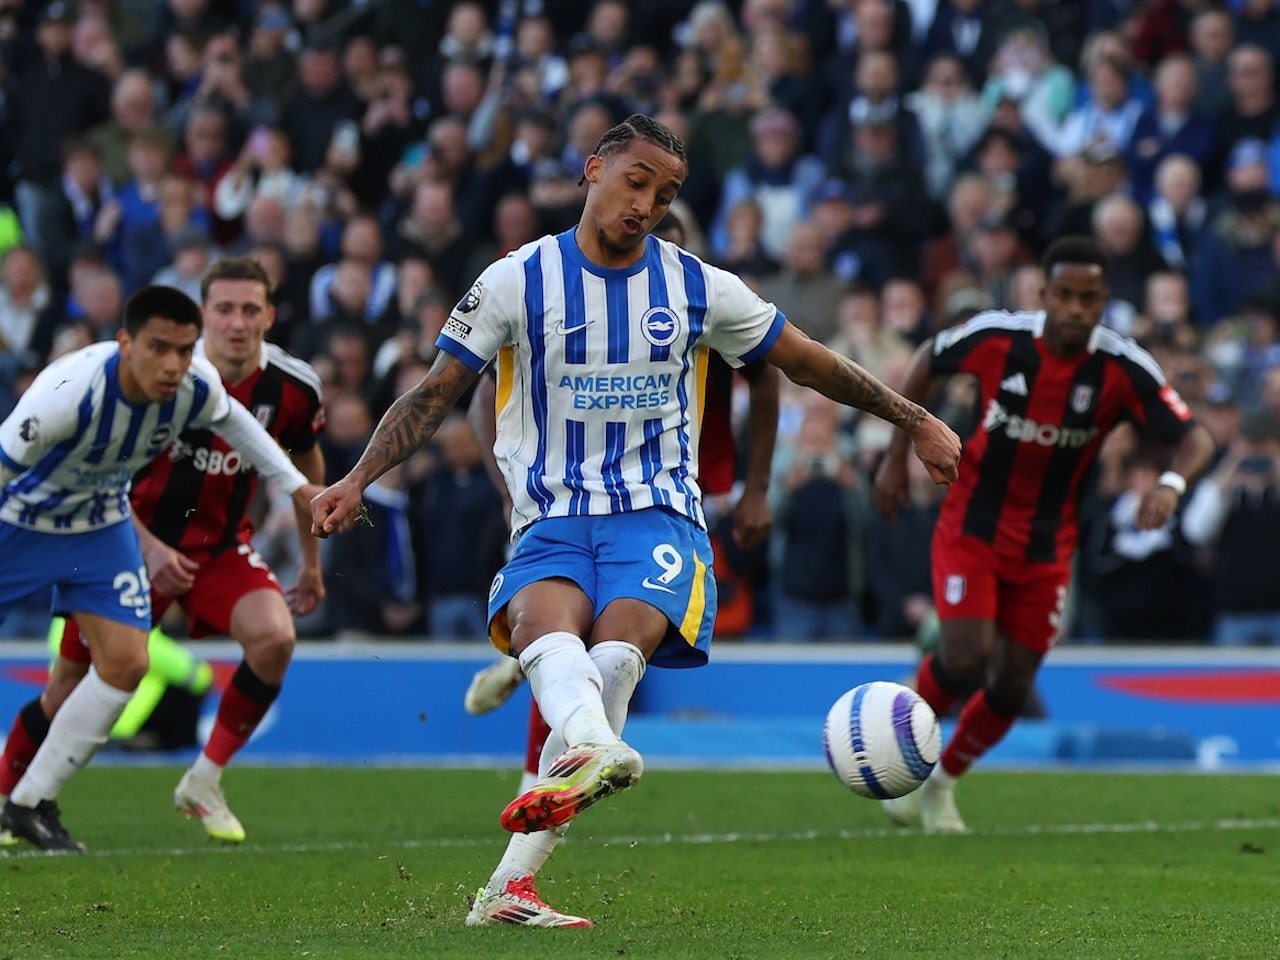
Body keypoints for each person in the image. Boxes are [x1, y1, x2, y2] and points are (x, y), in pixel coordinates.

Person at [310, 113, 960, 927]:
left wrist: (916, 420)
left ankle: (568, 782)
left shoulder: (698, 287)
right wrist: (359, 476)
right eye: (636, 181)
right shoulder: (517, 280)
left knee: (610, 664)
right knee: (555, 646)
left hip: (656, 516)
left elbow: (811, 364)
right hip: (549, 515)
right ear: (593, 170)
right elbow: (437, 391)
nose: (647, 204)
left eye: (666, 193)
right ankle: (513, 881)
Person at [873, 235, 1216, 835]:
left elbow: (1197, 438)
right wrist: (897, 451)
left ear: (1105, 299)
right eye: (1065, 296)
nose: (1076, 310)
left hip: (1047, 544)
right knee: (965, 659)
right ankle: (903, 758)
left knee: (1010, 684)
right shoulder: (998, 337)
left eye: (1089, 298)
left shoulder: (1121, 367)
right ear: (1044, 294)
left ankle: (943, 784)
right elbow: (929, 356)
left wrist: (1170, 485)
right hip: (973, 525)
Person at [461, 210, 780, 799]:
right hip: (567, 497)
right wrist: (504, 480)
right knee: (573, 643)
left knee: (600, 651)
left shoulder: (702, 295)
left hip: (670, 490)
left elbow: (769, 371)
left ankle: (531, 686)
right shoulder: (572, 301)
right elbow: (483, 390)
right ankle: (541, 783)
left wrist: (757, 487)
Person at [0, 274, 324, 853]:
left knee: (126, 663)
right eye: (158, 349)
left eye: (182, 350)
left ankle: (28, 804)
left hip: (99, 527)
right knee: (67, 681)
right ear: (126, 343)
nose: (173, 364)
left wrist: (298, 489)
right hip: (22, 523)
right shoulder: (68, 392)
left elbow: (240, 427)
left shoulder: (199, 386)